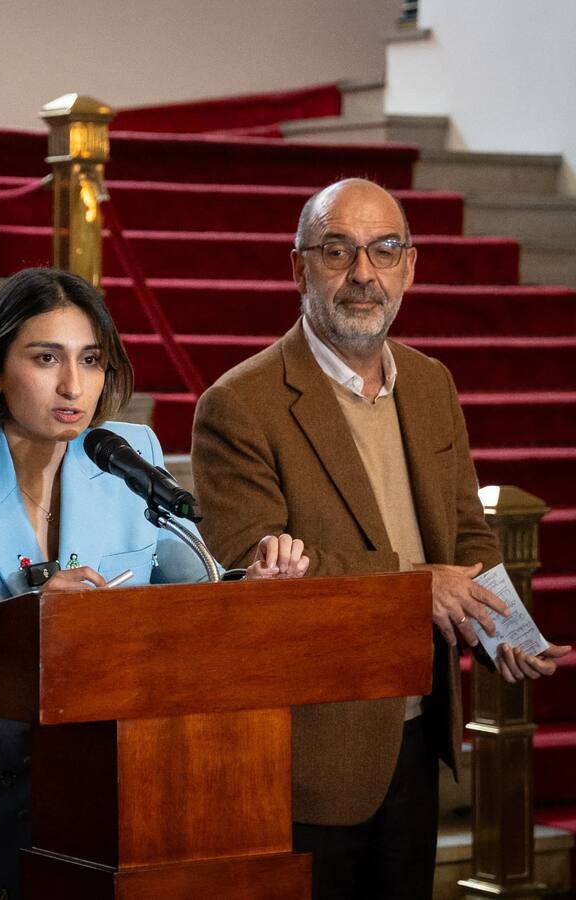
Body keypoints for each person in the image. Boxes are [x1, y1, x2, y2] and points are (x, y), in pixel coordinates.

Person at [0, 267, 311, 900]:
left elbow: (190, 595)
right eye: (46, 358)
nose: (74, 385)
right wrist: (32, 620)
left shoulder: (128, 456)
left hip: (105, 796)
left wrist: (248, 588)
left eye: (92, 360)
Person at [190, 178, 571, 899]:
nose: (363, 274)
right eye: (338, 251)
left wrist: (505, 630)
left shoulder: (431, 384)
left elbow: (466, 533)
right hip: (309, 752)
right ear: (298, 267)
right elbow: (249, 566)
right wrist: (417, 587)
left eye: (384, 250)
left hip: (418, 730)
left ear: (411, 267)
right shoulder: (239, 405)